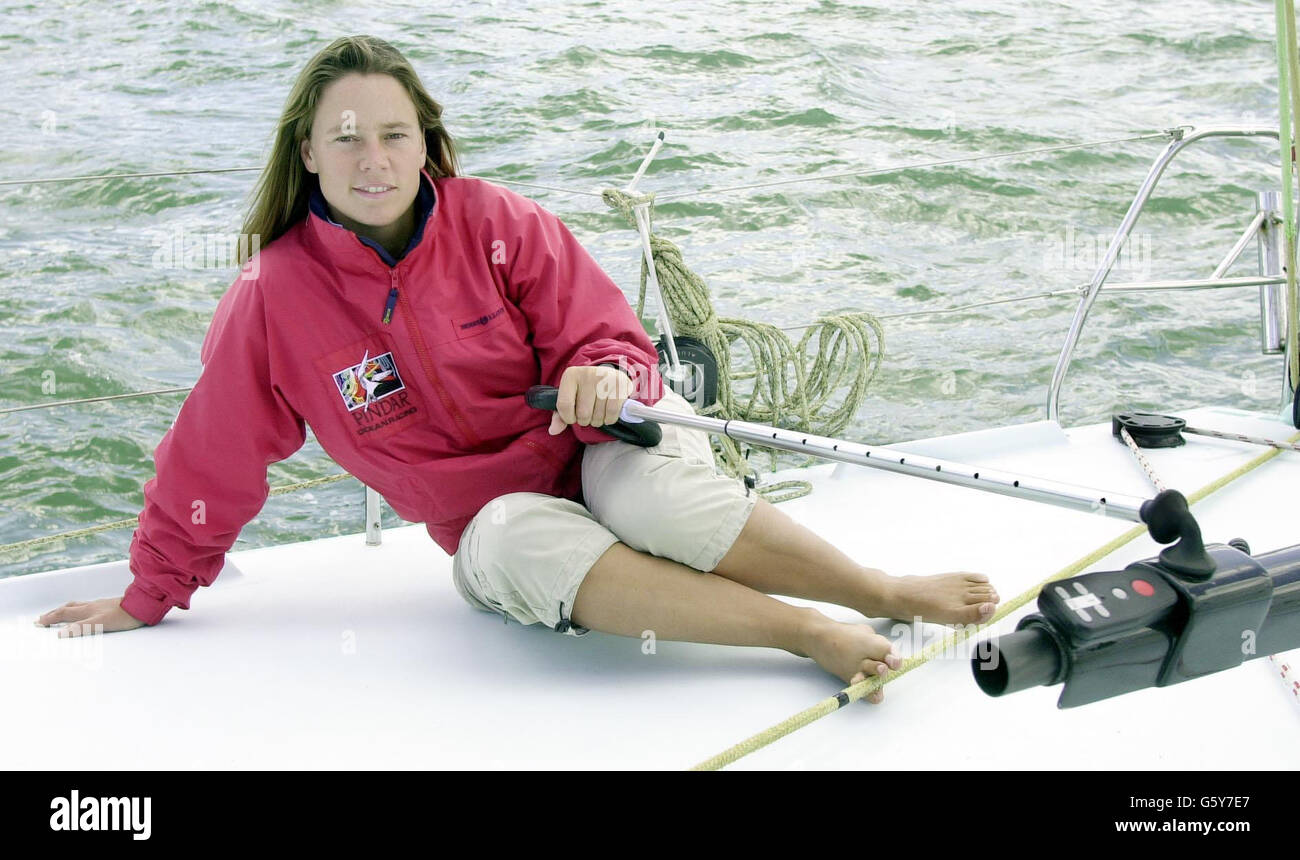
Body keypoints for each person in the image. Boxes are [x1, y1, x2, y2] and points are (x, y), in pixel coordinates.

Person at [36, 35, 999, 703]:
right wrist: (148, 592)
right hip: (496, 526)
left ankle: (875, 590)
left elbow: (610, 338)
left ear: (425, 143)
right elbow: (212, 457)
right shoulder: (272, 296)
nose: (372, 158)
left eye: (393, 134)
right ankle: (805, 632)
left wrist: (607, 374)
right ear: (307, 150)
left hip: (596, 450)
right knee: (515, 534)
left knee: (652, 497)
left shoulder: (499, 222)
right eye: (346, 137)